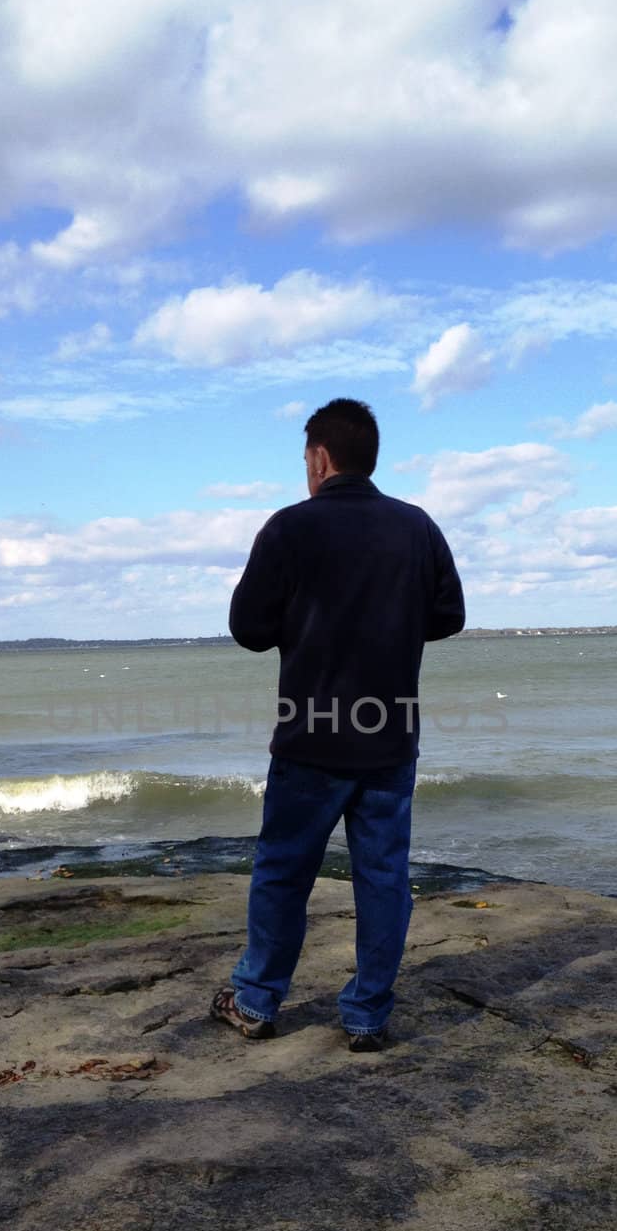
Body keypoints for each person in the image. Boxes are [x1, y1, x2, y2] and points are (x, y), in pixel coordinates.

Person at [210, 397, 465, 1052]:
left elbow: (247, 628)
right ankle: (368, 1016)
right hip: (389, 736)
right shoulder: (417, 528)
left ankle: (258, 999)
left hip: (311, 736)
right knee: (382, 877)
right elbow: (449, 615)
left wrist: (307, 620)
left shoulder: (290, 529)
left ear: (319, 459)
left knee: (283, 871)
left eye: (305, 461)